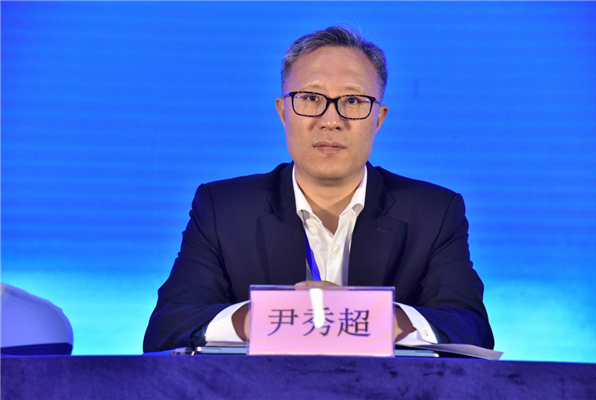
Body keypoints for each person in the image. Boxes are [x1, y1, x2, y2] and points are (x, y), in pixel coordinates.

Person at [143, 26, 494, 352]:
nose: (330, 120)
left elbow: (471, 329)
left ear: (379, 118)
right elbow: (167, 328)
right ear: (283, 112)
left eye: (353, 101)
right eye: (311, 98)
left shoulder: (434, 213)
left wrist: (383, 319)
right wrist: (259, 318)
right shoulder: (222, 209)